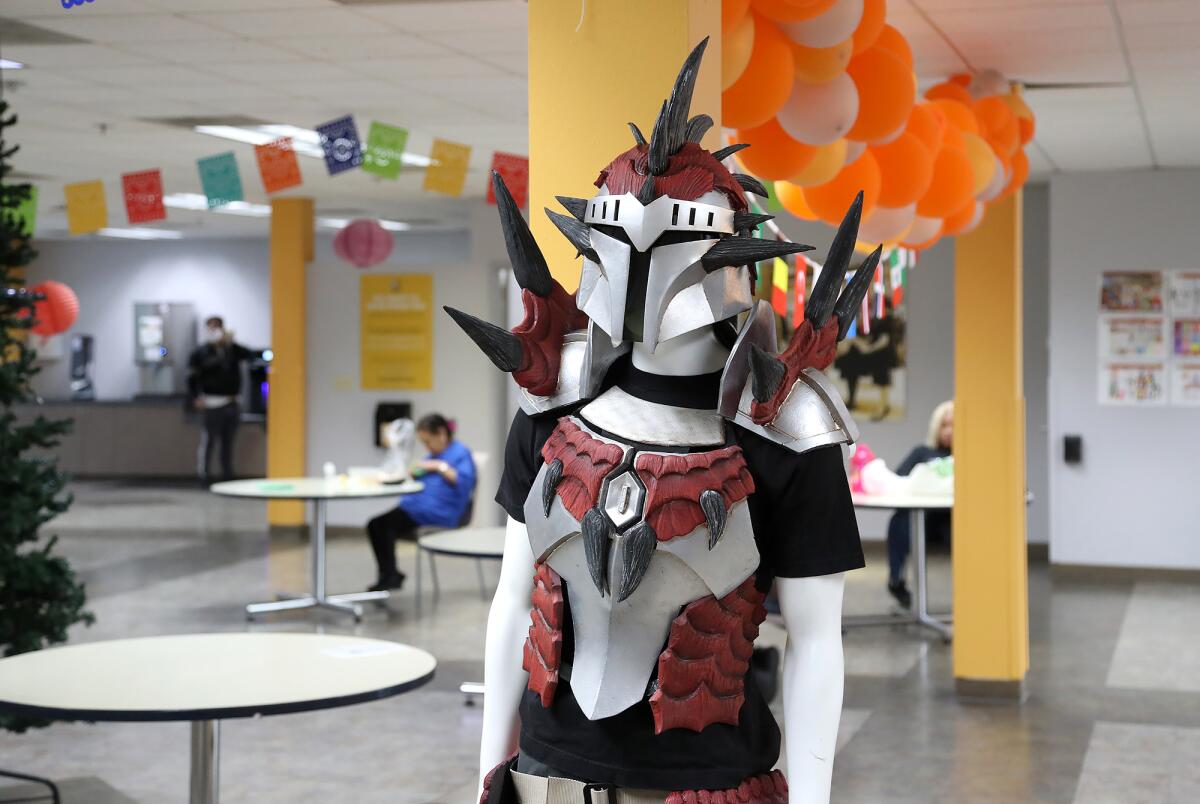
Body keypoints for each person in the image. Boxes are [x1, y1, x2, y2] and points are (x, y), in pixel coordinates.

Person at [364, 413, 476, 592]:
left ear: (441, 433)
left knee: (379, 526)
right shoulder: (433, 455)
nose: (427, 446)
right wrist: (415, 471)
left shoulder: (460, 452)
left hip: (438, 513)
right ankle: (390, 574)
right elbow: (416, 472)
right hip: (416, 509)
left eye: (428, 441)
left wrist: (439, 466)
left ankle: (390, 576)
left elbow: (464, 482)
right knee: (380, 525)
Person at [886, 400, 954, 608]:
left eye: (955, 425)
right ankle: (896, 580)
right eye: (945, 425)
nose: (950, 431)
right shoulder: (922, 452)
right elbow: (899, 479)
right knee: (899, 522)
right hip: (921, 518)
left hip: (951, 519)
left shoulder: (970, 454)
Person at [186, 316, 261, 486]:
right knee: (209, 440)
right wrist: (195, 397)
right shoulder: (200, 353)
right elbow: (192, 378)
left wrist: (230, 343)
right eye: (211, 328)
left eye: (217, 327)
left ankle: (227, 475)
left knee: (228, 441)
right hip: (212, 403)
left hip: (232, 402)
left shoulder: (231, 350)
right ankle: (204, 475)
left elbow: (250, 355)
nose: (215, 331)